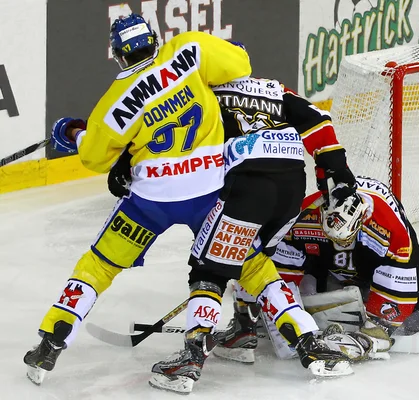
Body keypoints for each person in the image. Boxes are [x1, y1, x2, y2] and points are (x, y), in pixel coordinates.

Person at [106, 49, 359, 391]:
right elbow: (318, 121)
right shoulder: (274, 88)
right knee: (253, 262)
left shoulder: (203, 93)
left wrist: (126, 159)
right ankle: (290, 341)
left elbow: (167, 133)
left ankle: (191, 359)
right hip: (290, 188)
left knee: (208, 268)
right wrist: (337, 174)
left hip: (246, 185)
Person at [23, 14, 251, 387]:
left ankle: (50, 343)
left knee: (97, 266)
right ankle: (279, 330)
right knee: (248, 259)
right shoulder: (189, 48)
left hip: (151, 202)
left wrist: (74, 132)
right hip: (209, 190)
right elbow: (240, 63)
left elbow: (94, 156)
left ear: (117, 55)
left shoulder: (114, 101)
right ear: (154, 39)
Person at [224, 175, 419, 361]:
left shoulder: (388, 226)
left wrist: (376, 331)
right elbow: (285, 265)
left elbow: (399, 269)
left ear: (362, 217)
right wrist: (272, 304)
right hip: (332, 262)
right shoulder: (306, 214)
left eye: (343, 236)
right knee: (307, 283)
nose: (339, 241)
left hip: (376, 259)